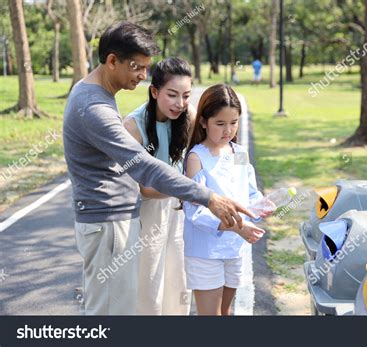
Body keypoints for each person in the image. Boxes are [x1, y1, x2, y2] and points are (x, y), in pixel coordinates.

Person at [62, 21, 254, 315]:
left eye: (145, 68)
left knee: (131, 303)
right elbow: (143, 167)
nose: (141, 75)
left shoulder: (97, 95)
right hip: (108, 221)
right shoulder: (95, 108)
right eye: (137, 67)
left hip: (117, 218)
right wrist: (207, 196)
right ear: (112, 61)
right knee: (116, 309)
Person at [183, 84, 267, 315]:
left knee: (226, 312)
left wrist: (263, 206)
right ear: (203, 121)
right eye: (220, 124)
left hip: (234, 248)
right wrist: (238, 227)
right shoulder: (196, 158)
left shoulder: (239, 152)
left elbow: (249, 193)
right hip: (205, 250)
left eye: (234, 122)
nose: (228, 130)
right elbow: (195, 213)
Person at [124, 57, 195, 315]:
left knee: (178, 280)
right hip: (149, 212)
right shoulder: (133, 126)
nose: (180, 103)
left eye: (186, 95)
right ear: (154, 92)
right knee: (149, 283)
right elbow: (144, 188)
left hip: (179, 208)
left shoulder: (189, 116)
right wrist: (188, 189)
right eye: (172, 95)